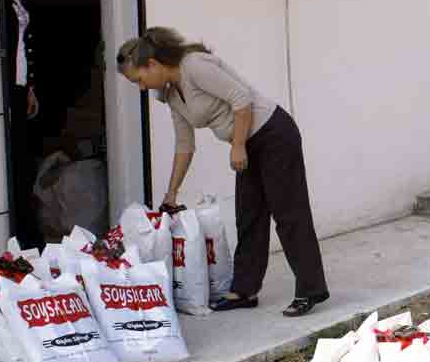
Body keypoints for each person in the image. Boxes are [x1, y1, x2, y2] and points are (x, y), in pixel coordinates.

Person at [116, 27, 329, 317]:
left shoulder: (194, 66)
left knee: (288, 213)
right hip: (248, 142)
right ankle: (245, 290)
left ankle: (310, 289)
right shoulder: (171, 94)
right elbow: (184, 145)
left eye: (139, 80)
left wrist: (238, 145)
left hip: (273, 134)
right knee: (248, 216)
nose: (142, 87)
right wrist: (171, 193)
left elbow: (242, 99)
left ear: (152, 64)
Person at [2, 0, 43, 249]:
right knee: (10, 161)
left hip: (18, 89)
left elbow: (23, 46)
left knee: (23, 161)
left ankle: (27, 237)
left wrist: (28, 87)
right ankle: (19, 235)